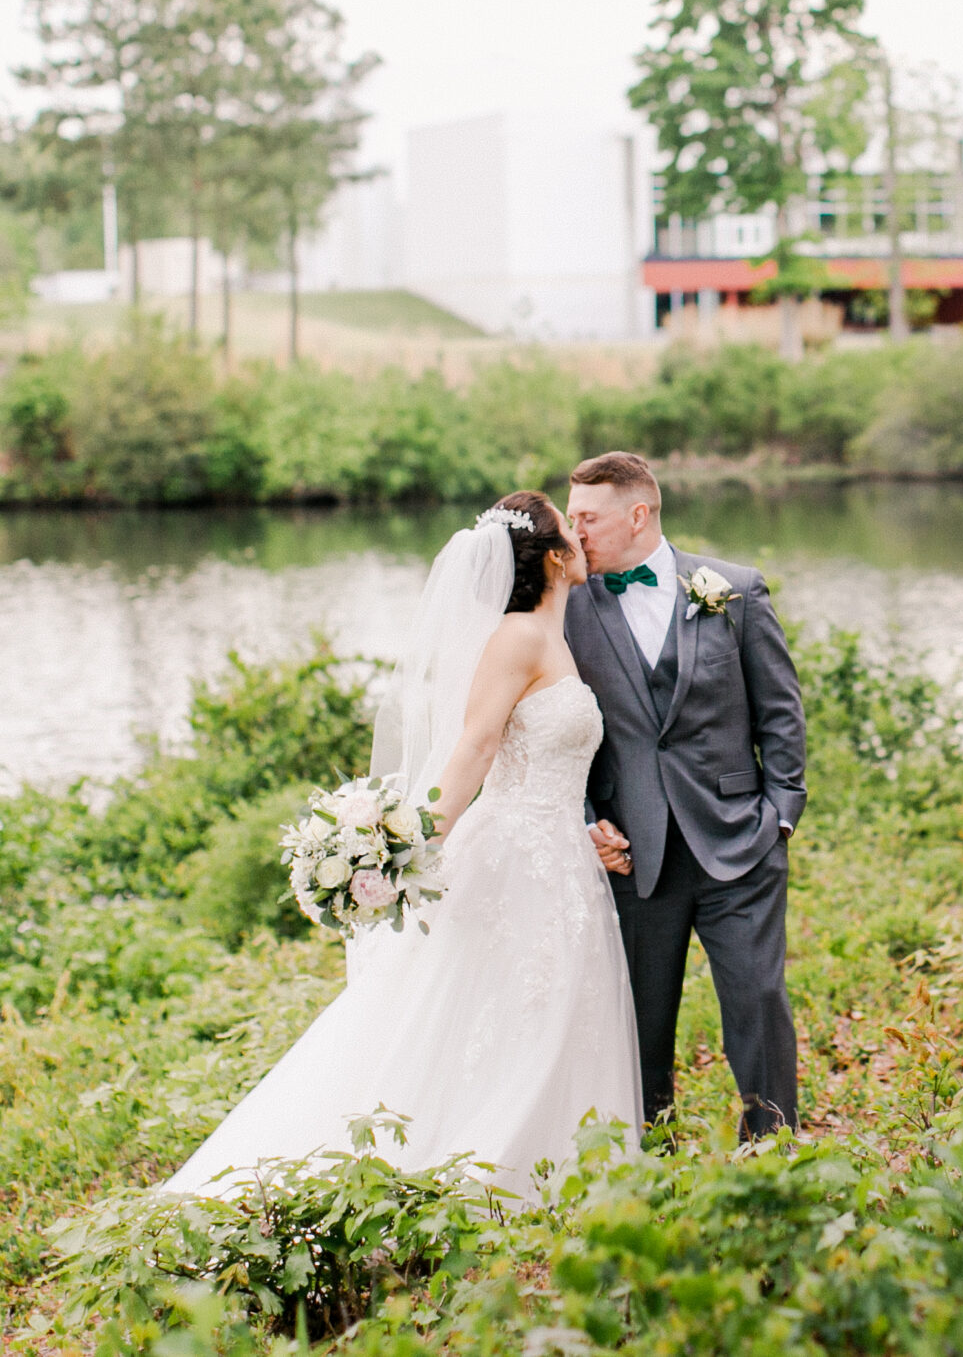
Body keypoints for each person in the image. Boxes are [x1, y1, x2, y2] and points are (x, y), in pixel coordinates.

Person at [159, 492, 640, 1199]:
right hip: (511, 856)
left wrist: (584, 830)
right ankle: (477, 1175)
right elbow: (475, 749)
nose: (582, 534)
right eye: (571, 525)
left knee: (548, 1013)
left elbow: (543, 761)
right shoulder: (516, 637)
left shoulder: (555, 636)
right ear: (557, 557)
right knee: (487, 1010)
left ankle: (566, 1171)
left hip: (557, 856)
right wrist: (406, 849)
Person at [565, 451, 806, 1138]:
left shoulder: (735, 590)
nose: (574, 533)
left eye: (587, 518)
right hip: (635, 856)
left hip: (740, 841)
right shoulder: (570, 608)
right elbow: (560, 727)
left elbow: (780, 712)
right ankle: (654, 1152)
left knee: (759, 1000)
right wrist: (587, 820)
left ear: (637, 514)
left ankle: (773, 1147)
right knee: (640, 1018)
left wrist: (781, 815)